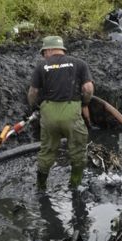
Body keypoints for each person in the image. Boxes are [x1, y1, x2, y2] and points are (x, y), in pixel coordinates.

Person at [28, 35, 94, 190]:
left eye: (44, 52)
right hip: (71, 114)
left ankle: (41, 186)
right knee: (78, 152)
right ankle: (74, 185)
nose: (44, 55)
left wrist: (34, 107)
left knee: (47, 151)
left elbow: (32, 93)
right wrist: (85, 103)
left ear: (49, 49)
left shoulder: (41, 66)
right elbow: (88, 89)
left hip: (49, 114)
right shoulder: (79, 64)